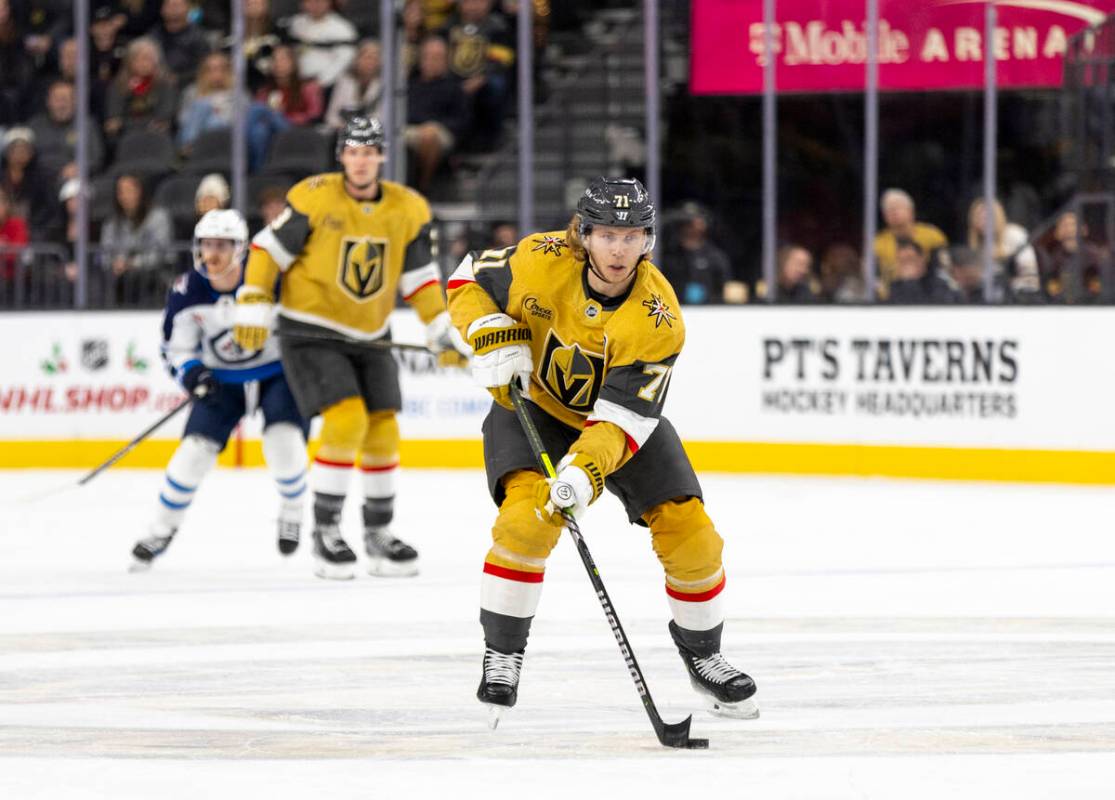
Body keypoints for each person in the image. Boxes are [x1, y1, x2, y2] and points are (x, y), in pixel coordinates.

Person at [445, 177, 759, 723]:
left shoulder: (658, 318)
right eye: (608, 235)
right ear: (583, 234)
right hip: (535, 408)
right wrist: (488, 327)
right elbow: (466, 277)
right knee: (526, 522)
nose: (619, 249)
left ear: (649, 241)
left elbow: (619, 421)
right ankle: (502, 653)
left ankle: (704, 655)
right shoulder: (540, 257)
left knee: (694, 535)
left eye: (632, 236)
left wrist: (585, 473)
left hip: (618, 423)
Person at [232, 116, 470, 580]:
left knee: (382, 429)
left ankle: (378, 535)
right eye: (353, 151)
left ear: (381, 156)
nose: (361, 160)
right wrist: (255, 299)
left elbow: (419, 278)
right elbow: (266, 250)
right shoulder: (314, 197)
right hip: (310, 330)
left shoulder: (407, 209)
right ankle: (325, 533)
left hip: (370, 333)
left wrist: (439, 326)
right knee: (347, 420)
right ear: (341, 156)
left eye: (370, 151)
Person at [132, 209, 310, 569]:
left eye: (221, 246)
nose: (211, 255)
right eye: (206, 245)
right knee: (191, 456)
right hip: (221, 382)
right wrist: (193, 375)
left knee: (283, 443)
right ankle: (161, 529)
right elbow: (175, 348)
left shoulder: (270, 280)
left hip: (275, 375)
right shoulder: (187, 290)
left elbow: (305, 321)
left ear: (242, 249)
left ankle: (292, 509)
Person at [99, 173, 174, 306]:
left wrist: (132, 263)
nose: (125, 196)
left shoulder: (158, 217)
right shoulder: (111, 223)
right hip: (122, 280)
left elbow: (160, 253)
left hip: (153, 277)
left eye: (130, 190)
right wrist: (115, 263)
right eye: (121, 192)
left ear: (141, 192)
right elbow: (105, 254)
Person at [873, 188, 948, 293]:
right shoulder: (877, 243)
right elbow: (872, 277)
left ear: (911, 211)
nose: (894, 212)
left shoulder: (932, 235)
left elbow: (943, 270)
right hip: (890, 298)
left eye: (898, 207)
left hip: (928, 294)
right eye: (889, 210)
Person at [324, 38, 383, 130]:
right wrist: (347, 127)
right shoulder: (344, 82)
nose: (370, 62)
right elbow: (331, 117)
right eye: (367, 57)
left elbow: (382, 118)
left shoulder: (384, 84)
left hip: (373, 133)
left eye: (374, 58)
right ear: (357, 59)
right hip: (344, 132)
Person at [885, 238, 959, 305]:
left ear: (922, 259)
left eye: (910, 259)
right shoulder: (895, 286)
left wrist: (910, 282)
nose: (906, 265)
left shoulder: (938, 283)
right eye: (902, 261)